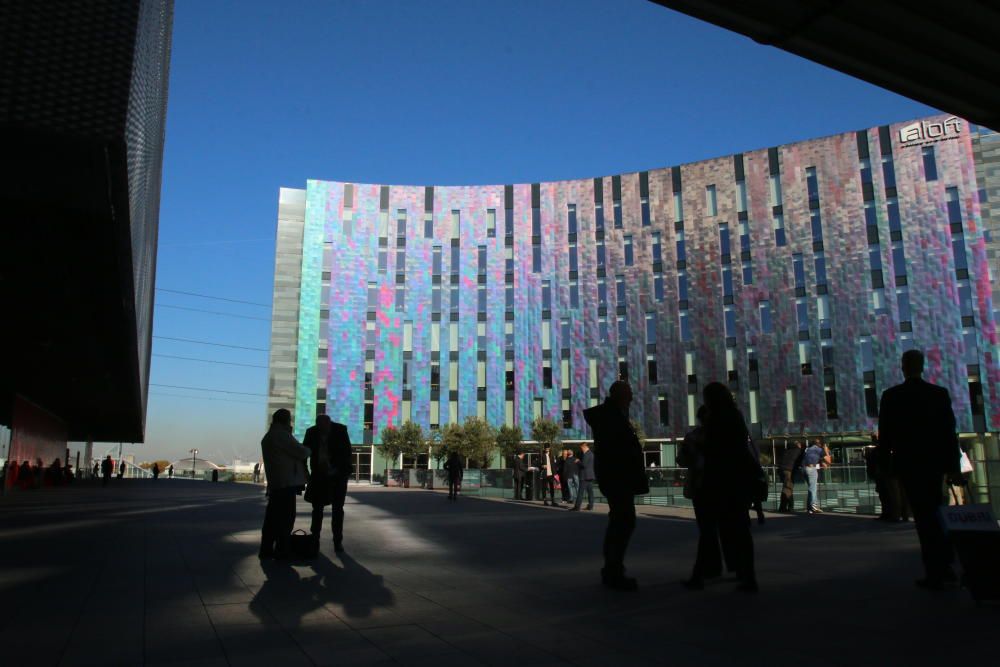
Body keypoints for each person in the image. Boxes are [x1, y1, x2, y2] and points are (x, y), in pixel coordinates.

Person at [878, 349, 961, 590]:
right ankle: (945, 564)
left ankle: (935, 570)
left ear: (903, 366)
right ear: (922, 366)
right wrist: (953, 466)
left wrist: (885, 466)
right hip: (935, 464)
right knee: (937, 512)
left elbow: (886, 436)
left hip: (909, 464)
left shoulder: (892, 396)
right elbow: (949, 433)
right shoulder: (938, 394)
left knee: (924, 518)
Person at [685, 382, 759, 592]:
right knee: (739, 531)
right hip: (736, 482)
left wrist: (697, 445)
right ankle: (747, 575)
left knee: (708, 530)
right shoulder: (735, 416)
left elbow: (715, 449)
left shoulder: (717, 419)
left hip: (718, 482)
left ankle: (699, 575)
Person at [584, 381, 648, 591]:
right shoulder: (611, 417)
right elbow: (616, 449)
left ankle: (612, 569)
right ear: (620, 395)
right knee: (623, 522)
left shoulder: (615, 414)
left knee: (621, 522)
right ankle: (613, 570)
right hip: (618, 478)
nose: (632, 396)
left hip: (617, 478)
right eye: (629, 393)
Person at [259, 408, 310, 559]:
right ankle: (282, 550)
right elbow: (301, 452)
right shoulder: (281, 435)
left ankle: (266, 549)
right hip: (286, 483)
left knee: (272, 519)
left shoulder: (269, 436)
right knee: (286, 519)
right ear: (285, 420)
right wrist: (308, 449)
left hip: (276, 483)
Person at [304, 414, 353, 551]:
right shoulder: (311, 432)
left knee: (337, 509)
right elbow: (304, 452)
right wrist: (305, 472)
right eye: (319, 427)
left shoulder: (340, 430)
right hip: (319, 475)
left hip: (338, 475)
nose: (322, 430)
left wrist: (339, 469)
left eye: (324, 427)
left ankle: (337, 541)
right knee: (317, 508)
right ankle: (315, 538)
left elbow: (347, 453)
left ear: (329, 424)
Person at [801, 440, 827, 514]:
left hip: (803, 469)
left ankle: (810, 508)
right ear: (819, 444)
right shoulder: (818, 449)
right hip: (811, 469)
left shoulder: (807, 449)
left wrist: (822, 462)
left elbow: (813, 457)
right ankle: (814, 506)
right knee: (813, 488)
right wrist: (826, 449)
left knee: (810, 488)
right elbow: (828, 458)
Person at [777, 441, 804, 512]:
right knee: (788, 488)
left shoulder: (787, 450)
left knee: (787, 487)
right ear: (798, 445)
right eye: (800, 445)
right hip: (788, 470)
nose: (801, 446)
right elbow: (801, 461)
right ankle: (785, 508)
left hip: (781, 469)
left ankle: (787, 507)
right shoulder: (798, 451)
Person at [572, 443, 595, 511]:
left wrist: (578, 461)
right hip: (590, 475)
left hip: (584, 476)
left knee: (580, 492)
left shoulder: (586, 454)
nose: (581, 449)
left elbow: (584, 465)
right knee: (590, 492)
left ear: (584, 447)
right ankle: (590, 506)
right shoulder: (591, 454)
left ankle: (577, 507)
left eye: (581, 448)